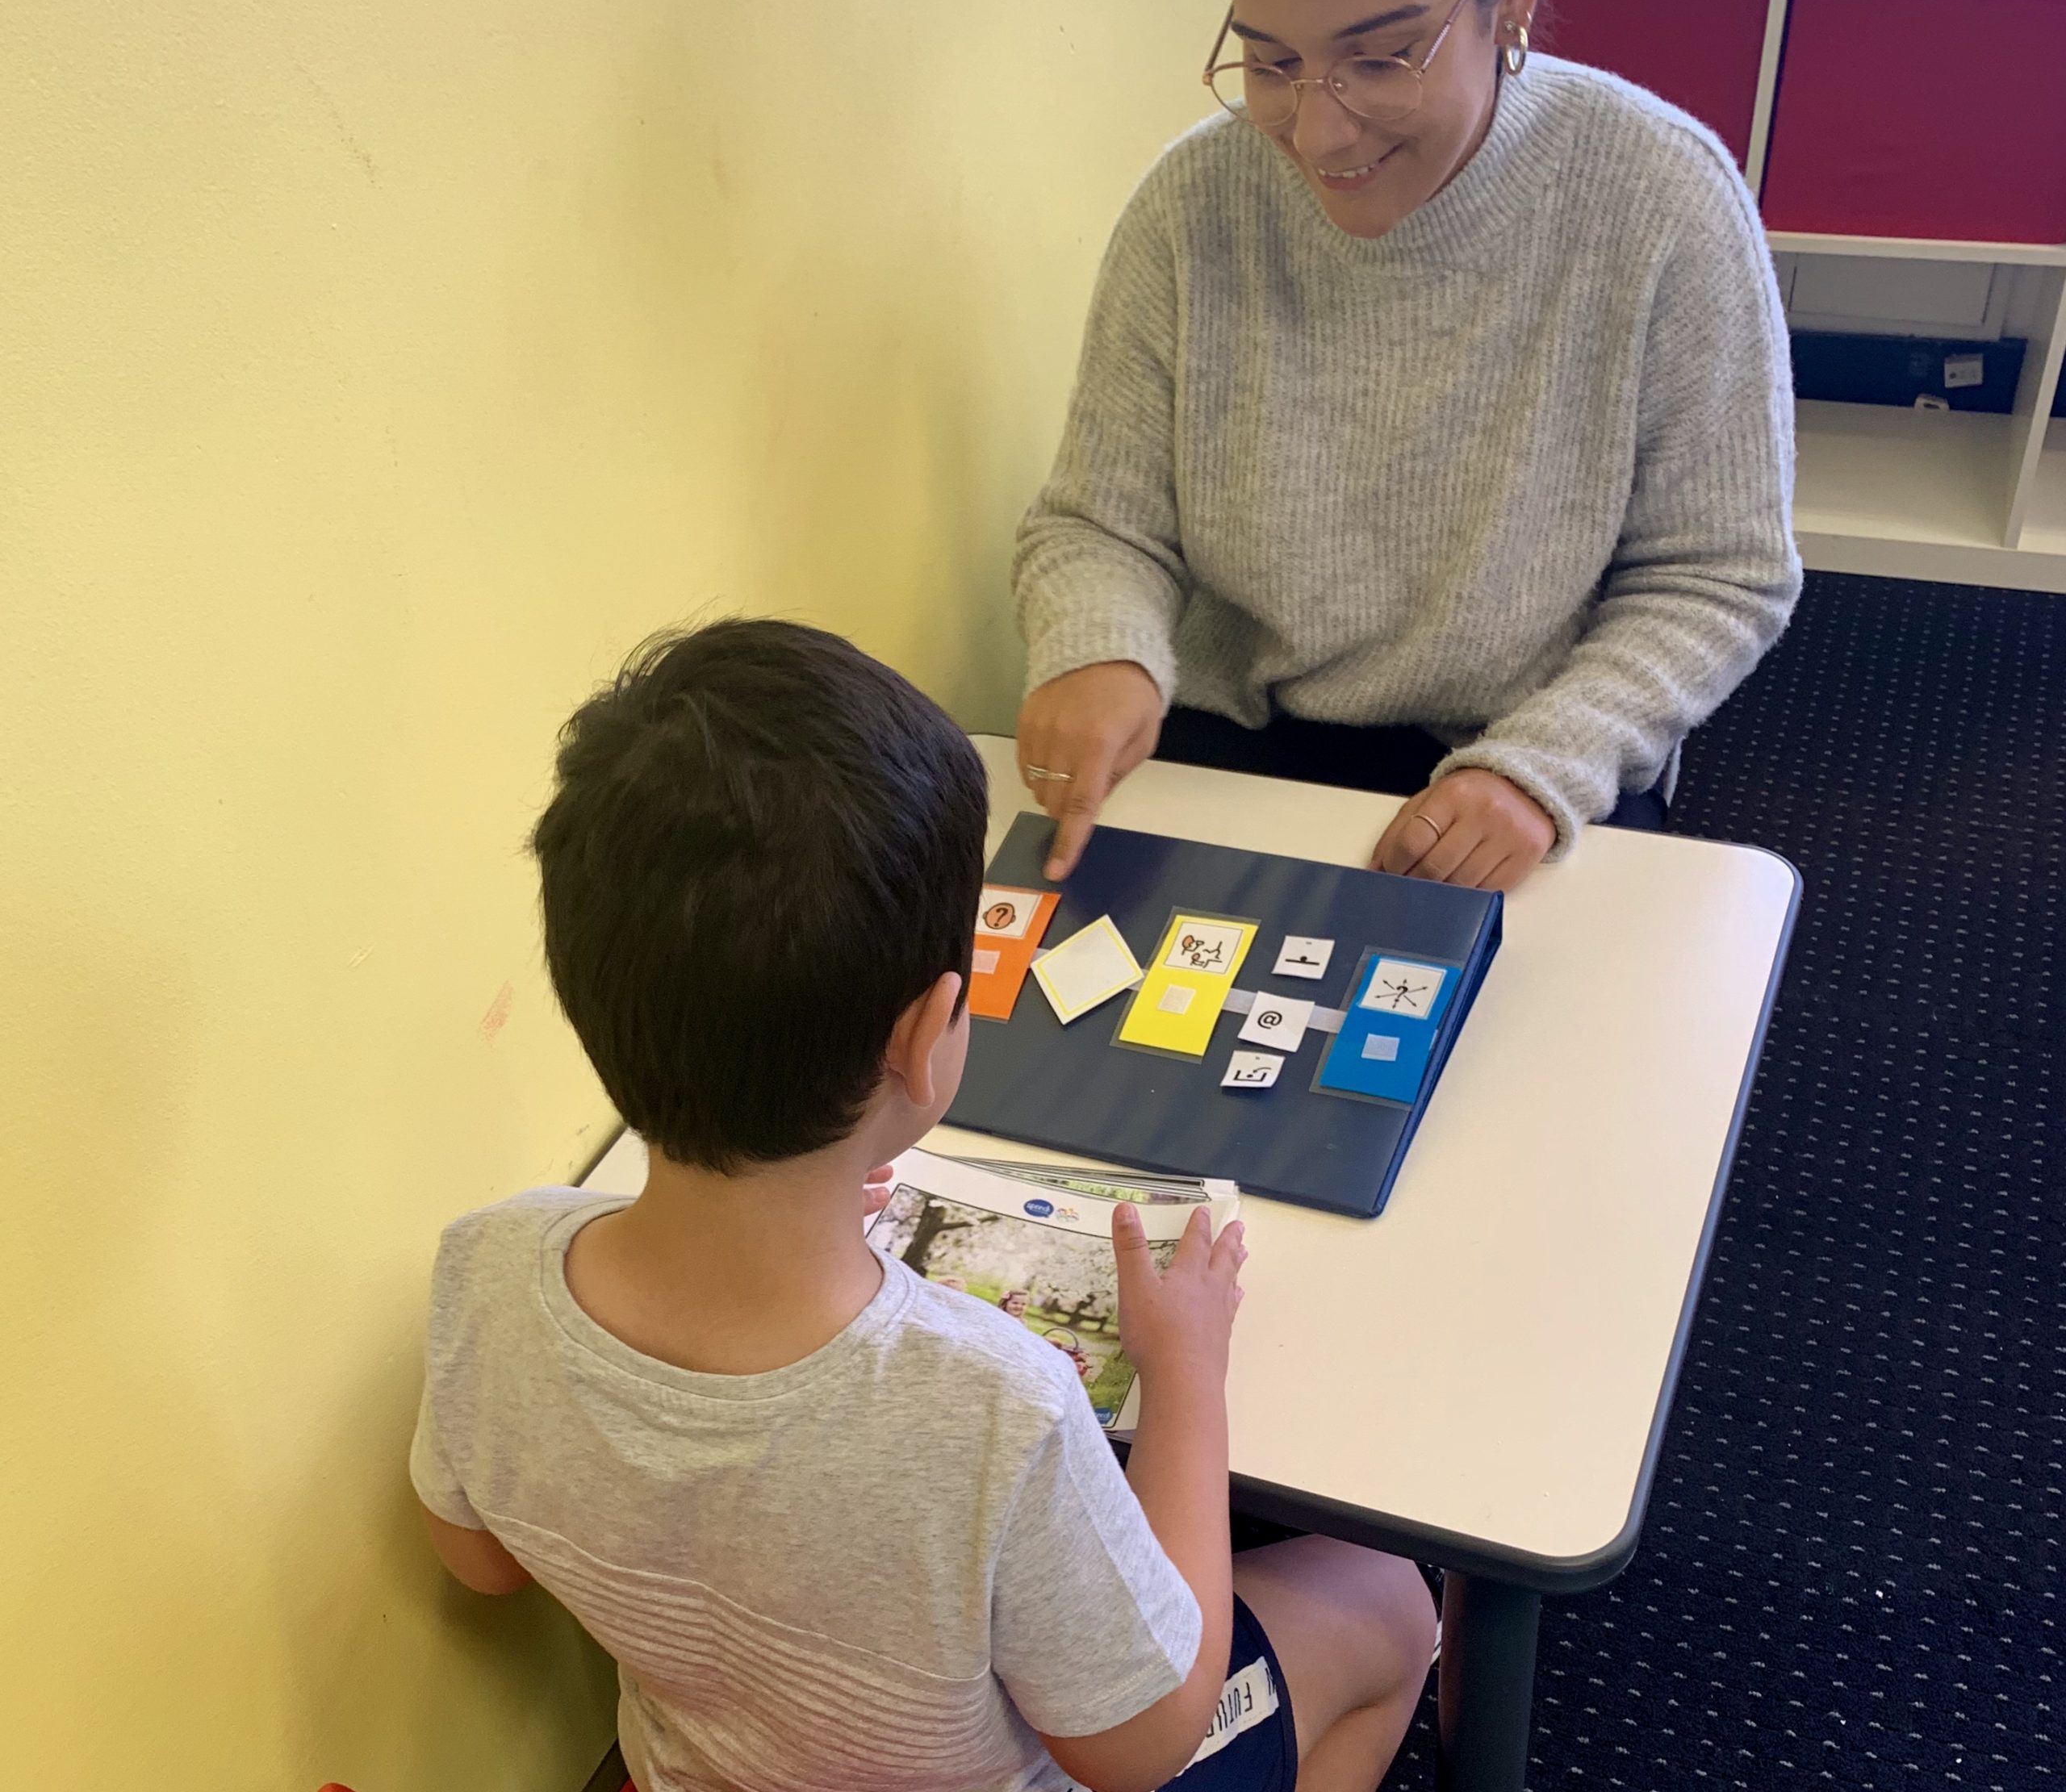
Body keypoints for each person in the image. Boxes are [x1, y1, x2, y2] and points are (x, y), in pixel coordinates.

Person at [410, 619, 1436, 1792]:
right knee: (1389, 1600)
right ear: (924, 1034)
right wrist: (1188, 1374)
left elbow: (478, 1561)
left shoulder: (483, 1267)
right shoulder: (1002, 1408)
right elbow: (1142, 1745)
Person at [1014, 0, 1801, 891]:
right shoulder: (1194, 204)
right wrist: (1100, 649)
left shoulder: (1661, 197)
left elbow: (1720, 572)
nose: (1318, 133)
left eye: (1382, 57)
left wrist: (1546, 766)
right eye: (1271, 60)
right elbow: (1099, 524)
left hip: (1521, 758)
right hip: (1241, 743)